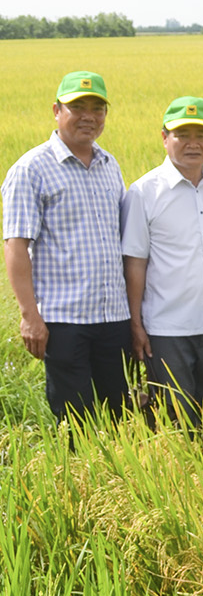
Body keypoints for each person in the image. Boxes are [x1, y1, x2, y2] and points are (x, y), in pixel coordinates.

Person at [3, 71, 131, 426]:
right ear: (57, 110)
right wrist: (30, 316)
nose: (88, 116)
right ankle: (81, 479)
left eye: (97, 108)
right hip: (64, 320)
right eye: (78, 107)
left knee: (120, 415)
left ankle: (121, 478)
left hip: (113, 316)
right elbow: (15, 245)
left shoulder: (109, 165)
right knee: (76, 418)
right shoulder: (31, 169)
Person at [121, 97, 203, 429]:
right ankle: (176, 478)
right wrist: (136, 324)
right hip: (167, 329)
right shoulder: (144, 193)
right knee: (173, 417)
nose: (193, 143)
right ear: (164, 138)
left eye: (201, 134)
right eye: (182, 134)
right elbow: (135, 263)